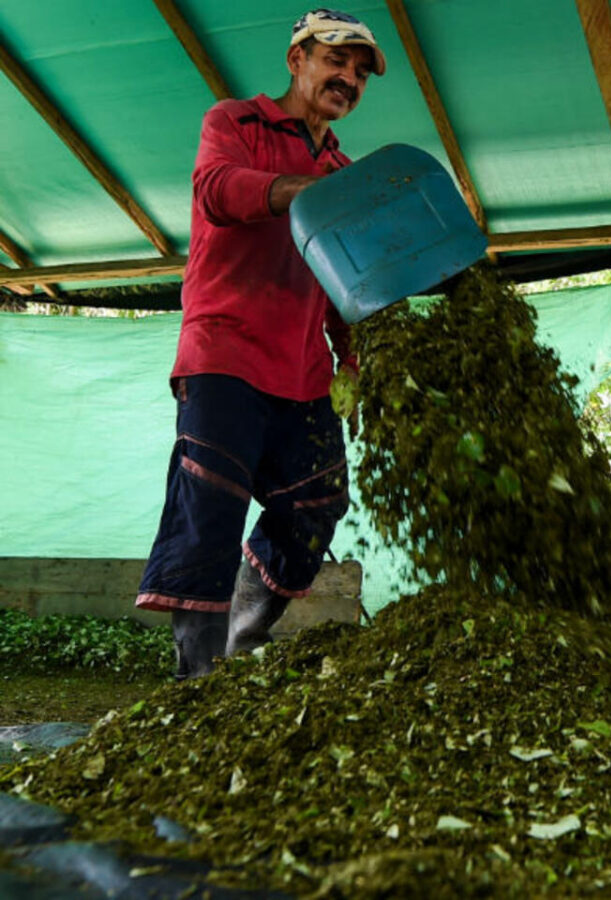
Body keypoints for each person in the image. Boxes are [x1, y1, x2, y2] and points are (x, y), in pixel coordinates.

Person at [135, 9, 387, 679]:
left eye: (361, 73)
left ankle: (244, 633)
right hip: (226, 352)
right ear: (297, 58)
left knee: (319, 501)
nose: (350, 78)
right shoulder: (235, 122)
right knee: (211, 507)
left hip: (303, 370)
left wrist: (356, 357)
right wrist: (297, 192)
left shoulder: (344, 168)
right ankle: (196, 678)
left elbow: (347, 279)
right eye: (338, 60)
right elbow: (216, 191)